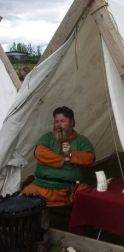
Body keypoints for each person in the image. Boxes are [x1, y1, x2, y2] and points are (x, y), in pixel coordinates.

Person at [20, 106, 95, 252]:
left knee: (88, 197)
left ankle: (78, 237)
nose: (59, 125)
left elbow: (89, 158)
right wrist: (65, 160)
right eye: (56, 121)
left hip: (70, 188)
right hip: (42, 185)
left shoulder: (81, 140)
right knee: (25, 198)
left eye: (63, 121)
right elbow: (40, 153)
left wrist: (72, 154)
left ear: (72, 122)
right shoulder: (48, 137)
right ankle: (39, 238)